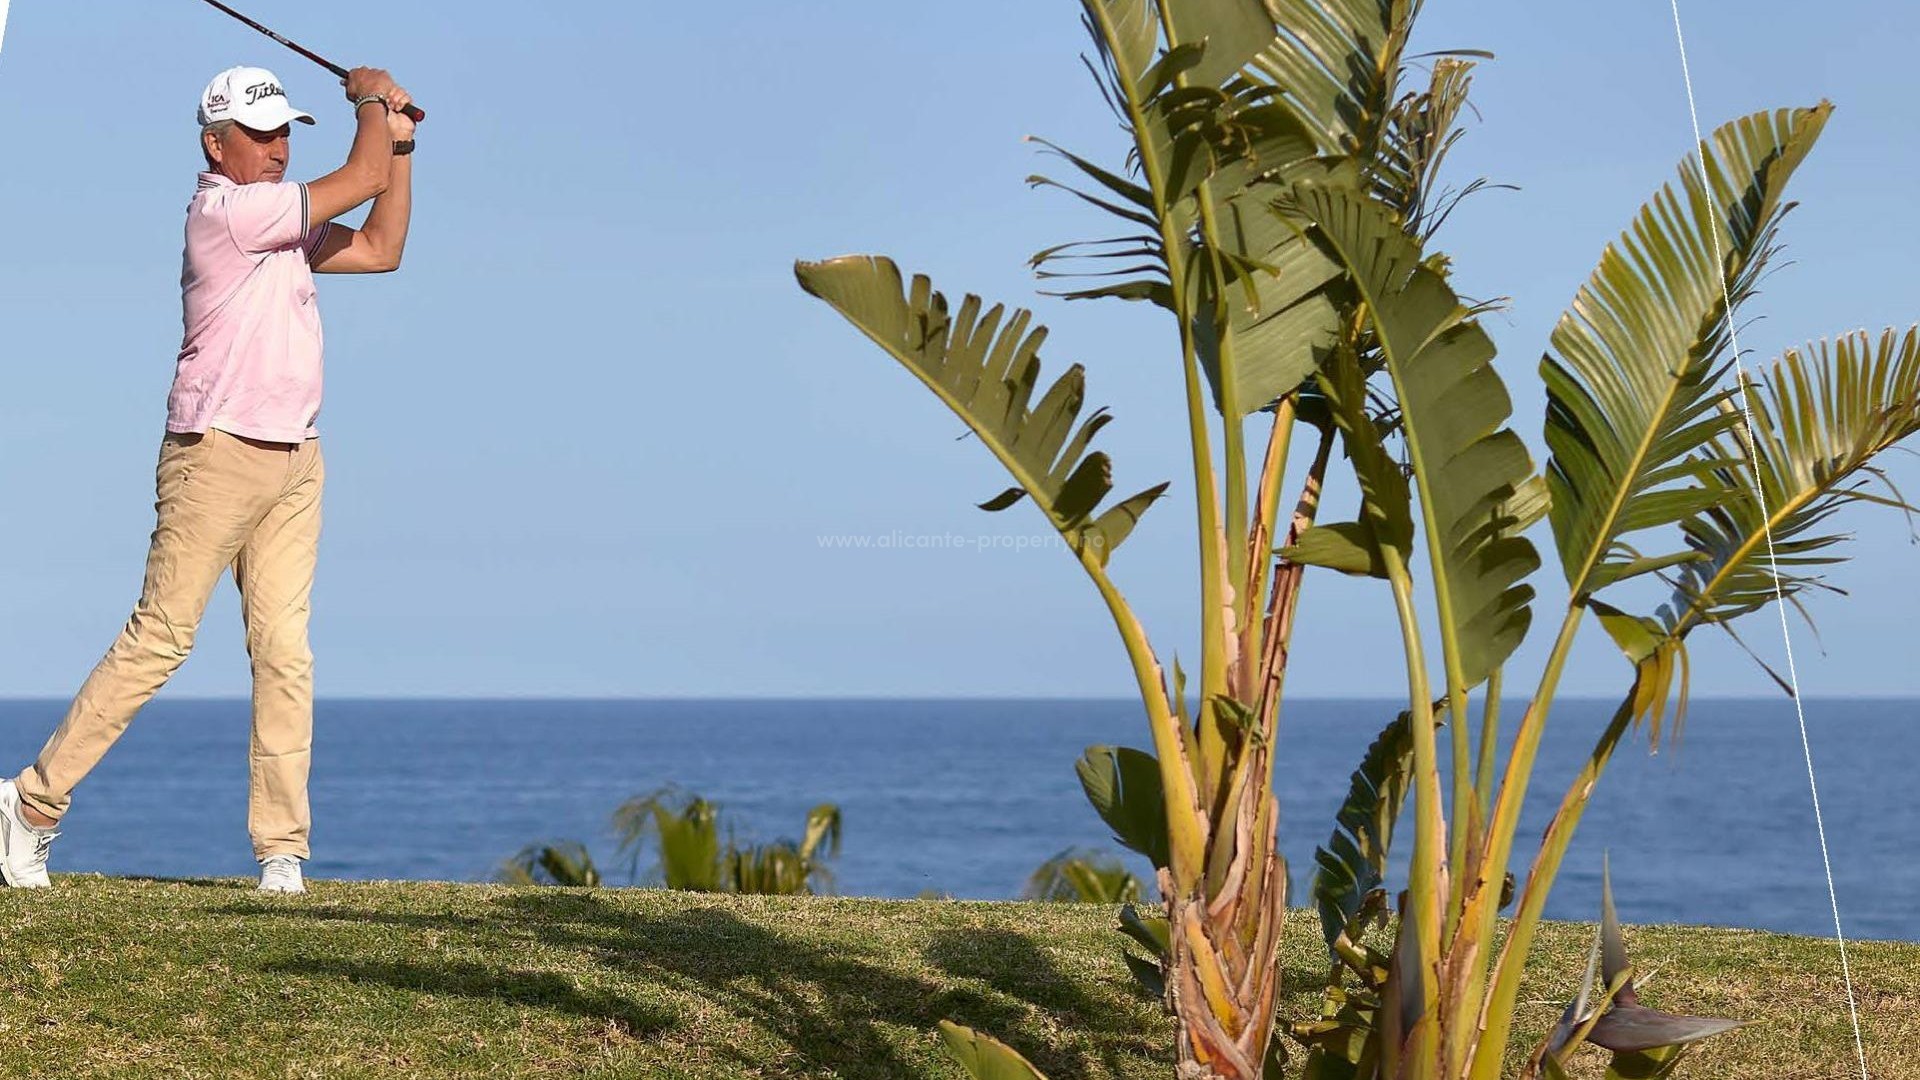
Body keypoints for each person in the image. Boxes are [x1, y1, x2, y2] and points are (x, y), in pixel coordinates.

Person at [0, 64, 417, 895]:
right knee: (161, 637)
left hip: (296, 457)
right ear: (214, 144)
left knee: (285, 654)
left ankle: (281, 853)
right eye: (259, 134)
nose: (277, 147)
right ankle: (29, 807)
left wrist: (399, 143)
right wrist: (371, 98)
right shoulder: (228, 214)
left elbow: (380, 248)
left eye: (283, 131)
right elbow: (358, 176)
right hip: (215, 452)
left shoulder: (283, 222)